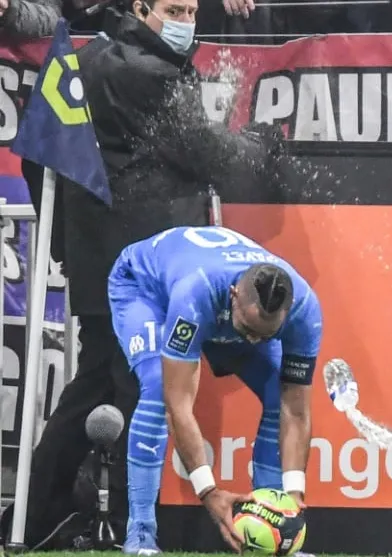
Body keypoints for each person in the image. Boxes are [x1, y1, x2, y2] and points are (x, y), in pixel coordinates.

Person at [1, 0, 284, 549]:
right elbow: (210, 156)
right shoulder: (146, 73)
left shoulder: (90, 58)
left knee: (99, 384)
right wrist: (265, 143)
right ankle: (118, 524)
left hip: (104, 260)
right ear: (140, 7)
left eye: (192, 9)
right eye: (175, 9)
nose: (186, 21)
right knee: (134, 391)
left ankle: (41, 517)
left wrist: (66, 243)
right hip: (143, 268)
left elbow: (36, 156)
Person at [107, 225, 321, 555]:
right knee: (157, 385)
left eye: (266, 335)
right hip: (146, 290)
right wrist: (208, 491)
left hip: (216, 307)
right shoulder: (196, 293)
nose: (254, 341)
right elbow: (177, 405)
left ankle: (272, 517)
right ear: (234, 294)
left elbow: (295, 409)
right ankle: (141, 532)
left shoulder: (305, 311)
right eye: (248, 330)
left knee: (279, 392)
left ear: (287, 312)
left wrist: (293, 495)